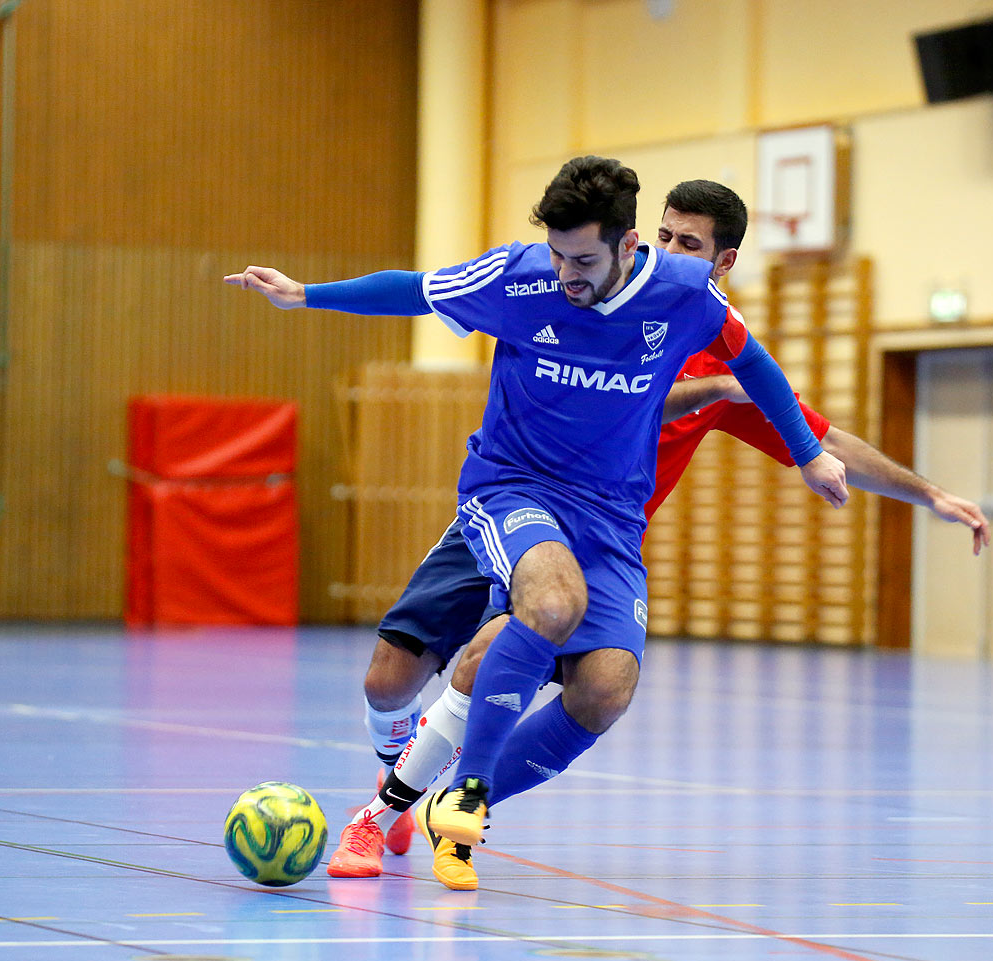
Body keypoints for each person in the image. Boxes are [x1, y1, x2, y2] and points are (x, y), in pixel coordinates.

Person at [317, 180, 990, 888]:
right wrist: (713, 392)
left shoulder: (703, 332)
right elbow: (616, 388)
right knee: (389, 683)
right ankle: (404, 769)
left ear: (721, 263)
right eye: (663, 236)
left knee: (568, 672)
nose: (668, 252)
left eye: (688, 245)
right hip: (517, 503)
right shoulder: (607, 308)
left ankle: (398, 810)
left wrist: (930, 492)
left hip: (597, 537)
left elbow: (819, 437)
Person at [228, 155, 849, 878]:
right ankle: (458, 794)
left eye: (581, 258)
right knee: (547, 604)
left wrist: (808, 454)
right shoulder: (516, 277)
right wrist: (305, 294)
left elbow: (757, 370)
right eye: (556, 254)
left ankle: (435, 804)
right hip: (513, 488)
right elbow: (415, 290)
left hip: (612, 516)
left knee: (607, 684)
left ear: (627, 246)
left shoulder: (684, 292)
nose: (564, 274)